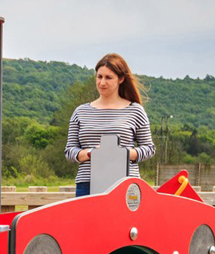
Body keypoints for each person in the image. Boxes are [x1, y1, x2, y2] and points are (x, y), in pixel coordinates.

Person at [65, 54, 155, 197]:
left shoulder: (135, 110)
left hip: (125, 185)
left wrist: (121, 154)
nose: (102, 82)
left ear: (121, 79)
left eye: (108, 77)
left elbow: (149, 149)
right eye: (99, 77)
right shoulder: (80, 112)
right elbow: (70, 151)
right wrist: (91, 153)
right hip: (87, 184)